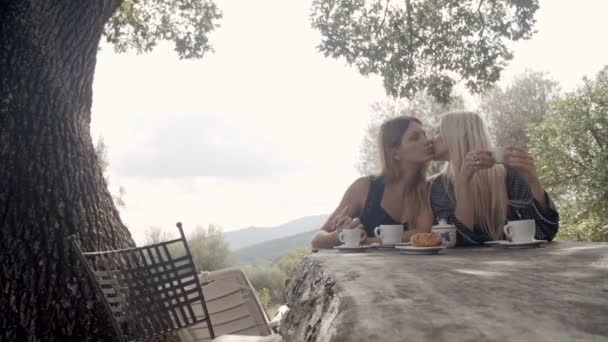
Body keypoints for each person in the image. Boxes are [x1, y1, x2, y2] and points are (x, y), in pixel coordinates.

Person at [429, 111, 559, 246]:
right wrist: (464, 181)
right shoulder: (439, 185)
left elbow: (545, 231)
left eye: (438, 131)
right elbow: (460, 241)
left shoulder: (510, 175)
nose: (431, 139)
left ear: (457, 136)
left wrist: (533, 180)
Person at [311, 116, 434, 250]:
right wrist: (337, 236)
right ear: (395, 153)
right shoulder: (364, 187)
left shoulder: (425, 189)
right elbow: (316, 240)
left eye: (425, 135)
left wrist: (369, 241)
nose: (427, 141)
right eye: (415, 138)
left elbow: (423, 233)